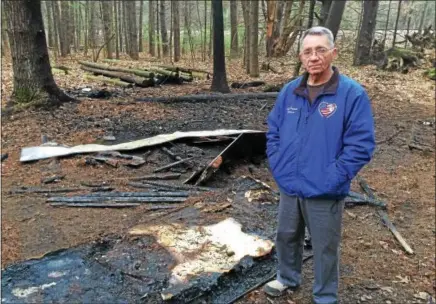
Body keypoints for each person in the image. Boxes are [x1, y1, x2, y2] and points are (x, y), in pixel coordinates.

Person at [263, 26, 375, 304]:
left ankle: (324, 295)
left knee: (325, 246)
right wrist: (278, 166)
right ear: (301, 57)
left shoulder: (351, 94)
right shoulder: (290, 91)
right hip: (290, 183)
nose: (314, 57)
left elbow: (361, 145)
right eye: (308, 51)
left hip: (326, 188)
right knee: (287, 235)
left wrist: (333, 178)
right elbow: (273, 131)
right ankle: (287, 278)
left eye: (320, 50)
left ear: (333, 53)